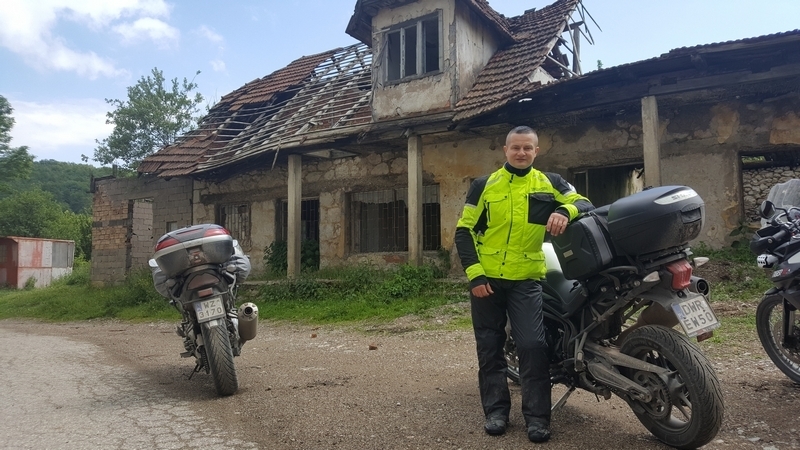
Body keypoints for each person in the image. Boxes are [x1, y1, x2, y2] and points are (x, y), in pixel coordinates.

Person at [455, 126, 594, 443]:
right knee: (490, 347)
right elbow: (464, 231)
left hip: (527, 280)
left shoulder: (550, 183)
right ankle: (496, 412)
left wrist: (564, 210)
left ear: (536, 151)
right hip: (488, 280)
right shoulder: (483, 185)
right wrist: (475, 275)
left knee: (532, 346)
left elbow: (584, 202)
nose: (521, 153)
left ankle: (537, 419)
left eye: (527, 148)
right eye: (515, 147)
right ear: (505, 150)